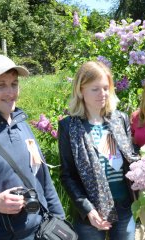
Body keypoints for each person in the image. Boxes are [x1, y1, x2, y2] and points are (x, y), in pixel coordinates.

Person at [0, 54, 65, 239]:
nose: (11, 92)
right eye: (1, 85)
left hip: (43, 232)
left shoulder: (22, 126)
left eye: (14, 84)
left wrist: (60, 222)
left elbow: (43, 180)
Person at [58, 61, 138, 240]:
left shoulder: (119, 119)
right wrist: (87, 209)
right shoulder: (69, 126)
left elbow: (130, 160)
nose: (102, 94)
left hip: (124, 206)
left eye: (105, 88)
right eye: (95, 89)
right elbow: (67, 175)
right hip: (91, 211)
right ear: (80, 90)